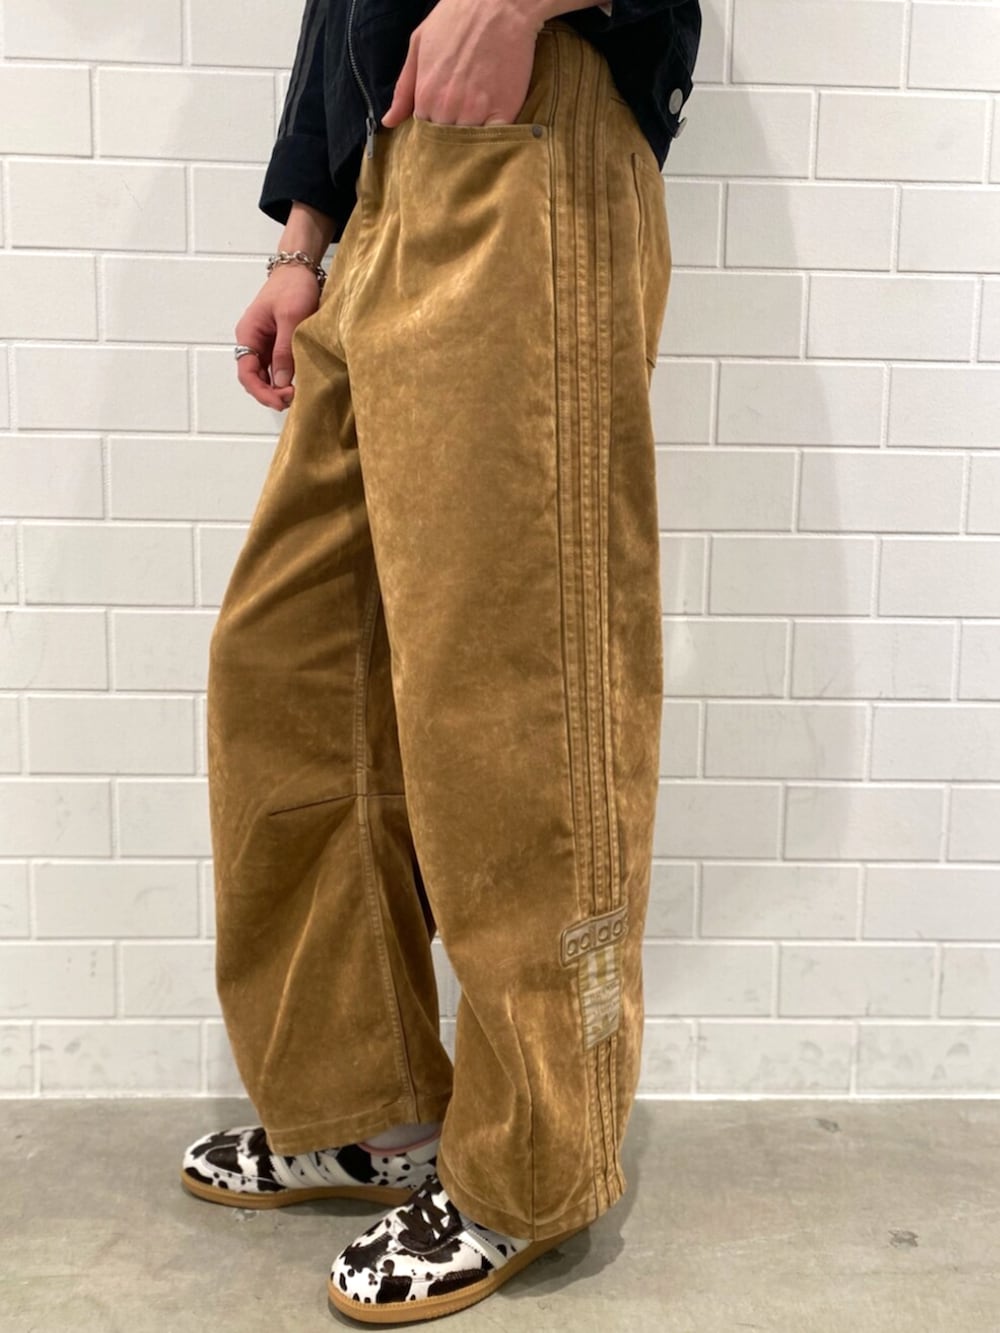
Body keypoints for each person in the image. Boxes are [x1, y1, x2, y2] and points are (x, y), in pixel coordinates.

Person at [179, 0, 701, 1321]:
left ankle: (533, 1167)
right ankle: (369, 1110)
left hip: (531, 130)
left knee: (512, 682)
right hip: (385, 178)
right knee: (294, 663)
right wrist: (306, 234)